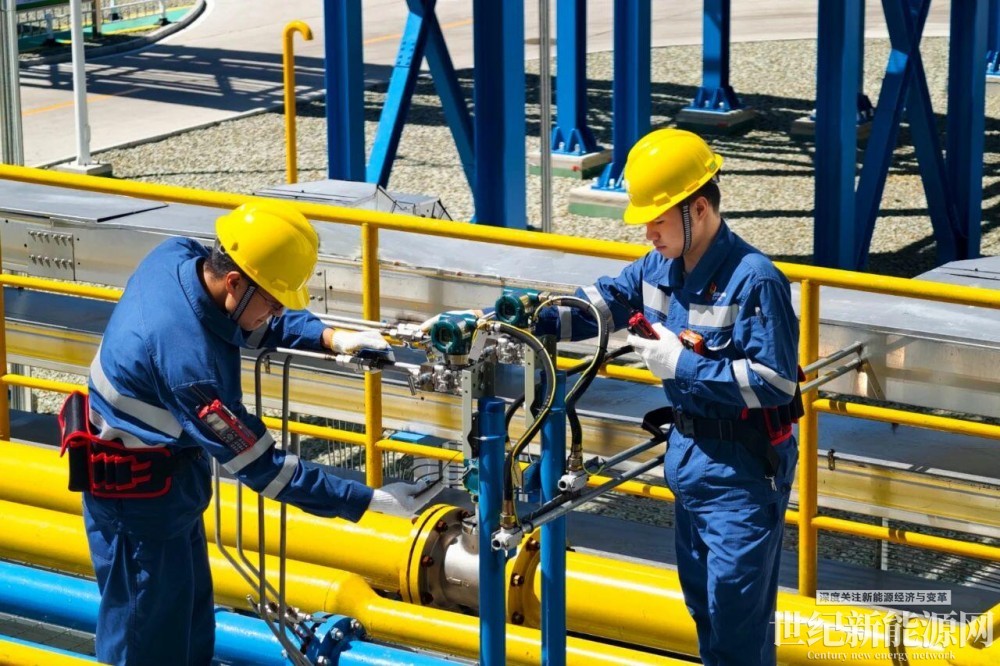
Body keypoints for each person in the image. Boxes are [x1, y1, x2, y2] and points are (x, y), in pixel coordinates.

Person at [67, 200, 435, 666]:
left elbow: (239, 322)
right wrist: (369, 500)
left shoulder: (176, 256)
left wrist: (329, 337)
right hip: (139, 515)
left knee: (189, 633)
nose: (277, 311)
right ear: (235, 282)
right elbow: (266, 470)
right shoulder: (190, 369)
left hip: (167, 491)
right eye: (274, 300)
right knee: (147, 648)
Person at [532, 128, 800, 666]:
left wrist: (683, 365)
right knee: (704, 609)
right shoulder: (658, 267)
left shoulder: (754, 281)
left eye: (657, 219)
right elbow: (601, 306)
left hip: (742, 474)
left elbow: (775, 382)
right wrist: (530, 316)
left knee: (736, 622)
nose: (648, 232)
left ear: (698, 209)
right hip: (690, 461)